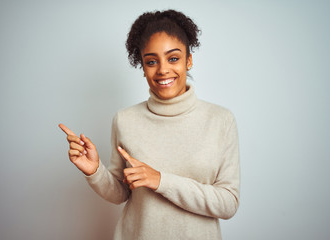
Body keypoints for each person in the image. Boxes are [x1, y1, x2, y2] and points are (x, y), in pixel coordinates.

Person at [59, 9, 240, 240]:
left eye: (173, 58)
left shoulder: (220, 120)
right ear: (143, 68)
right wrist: (95, 171)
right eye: (151, 61)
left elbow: (228, 203)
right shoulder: (125, 119)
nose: (163, 69)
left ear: (189, 60)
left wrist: (161, 180)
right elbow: (121, 193)